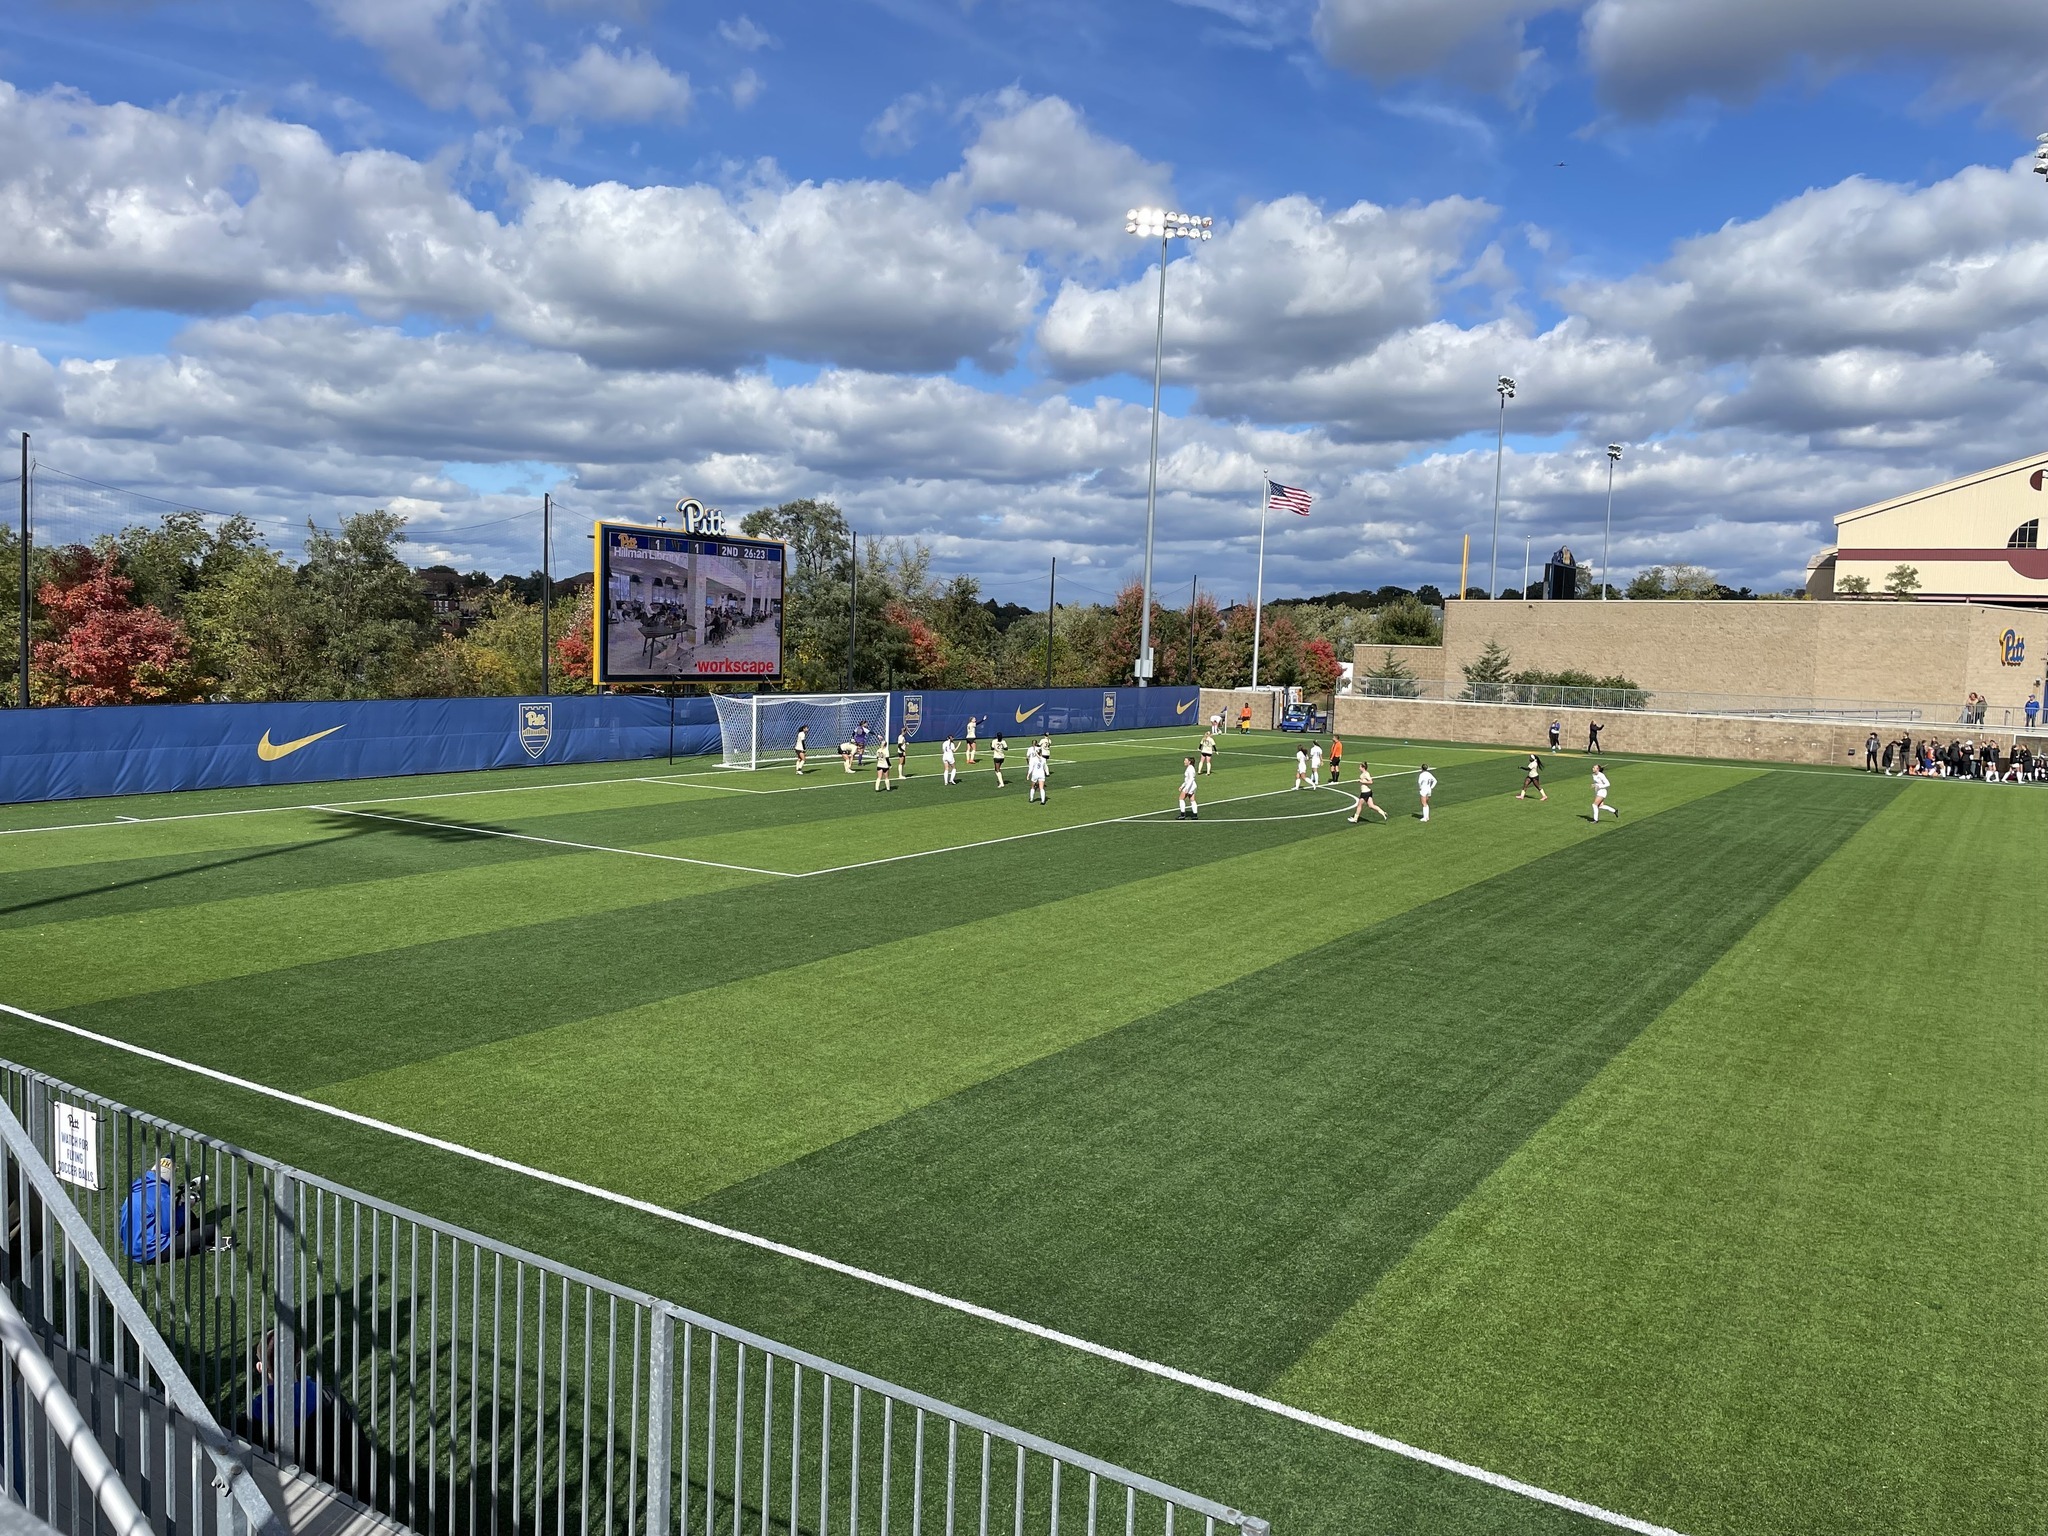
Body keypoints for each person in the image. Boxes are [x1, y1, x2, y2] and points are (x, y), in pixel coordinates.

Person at [120, 1157, 230, 1262]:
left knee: (189, 1216)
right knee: (212, 1229)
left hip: (131, 1247)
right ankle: (199, 1244)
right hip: (151, 1252)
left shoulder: (137, 1188)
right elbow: (170, 1227)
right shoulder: (162, 1194)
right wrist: (187, 1205)